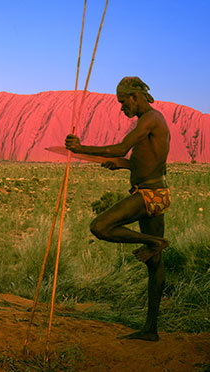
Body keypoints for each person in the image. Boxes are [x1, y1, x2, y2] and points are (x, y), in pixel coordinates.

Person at [65, 76, 170, 341]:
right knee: (155, 265)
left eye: (124, 102)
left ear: (135, 97)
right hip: (157, 192)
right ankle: (151, 329)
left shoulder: (149, 119)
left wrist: (80, 148)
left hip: (147, 195)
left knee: (100, 226)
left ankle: (154, 241)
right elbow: (149, 161)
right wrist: (122, 165)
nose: (122, 108)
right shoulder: (154, 121)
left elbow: (122, 147)